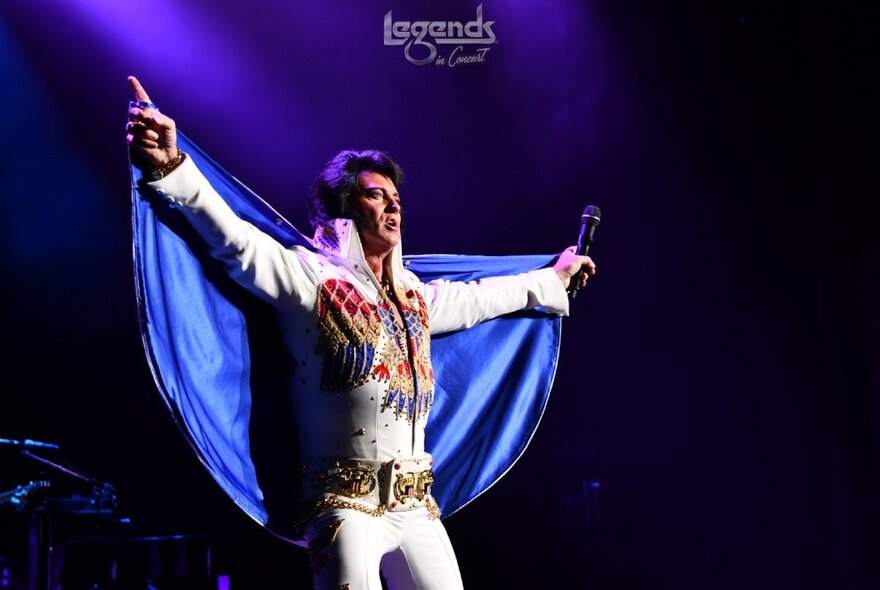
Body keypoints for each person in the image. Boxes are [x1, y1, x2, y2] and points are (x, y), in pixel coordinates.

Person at [125, 75, 596, 590]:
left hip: (417, 506)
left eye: (396, 197)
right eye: (377, 196)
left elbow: (481, 298)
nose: (395, 206)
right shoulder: (309, 279)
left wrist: (553, 278)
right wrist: (172, 166)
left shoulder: (414, 294)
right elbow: (236, 242)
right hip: (342, 508)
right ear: (346, 208)